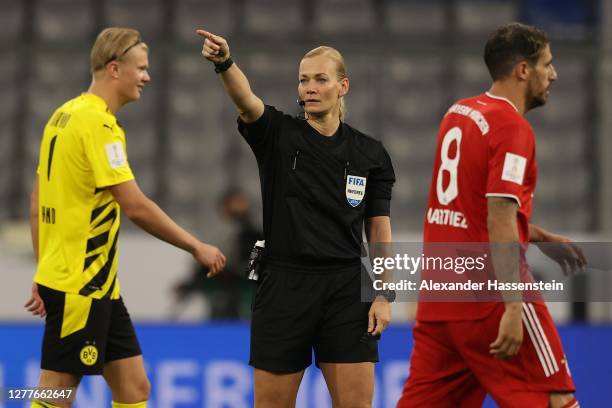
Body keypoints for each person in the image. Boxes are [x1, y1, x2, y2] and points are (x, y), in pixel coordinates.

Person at [25, 27, 226, 408]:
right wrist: (195, 246)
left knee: (135, 390)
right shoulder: (99, 126)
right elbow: (134, 206)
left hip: (90, 284)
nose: (147, 77)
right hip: (80, 285)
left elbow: (37, 203)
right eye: (141, 68)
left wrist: (44, 271)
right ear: (114, 69)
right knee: (54, 396)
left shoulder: (62, 116)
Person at [197, 30, 396, 407]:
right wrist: (224, 63)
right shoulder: (277, 134)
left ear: (343, 87)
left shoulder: (370, 154)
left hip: (347, 289)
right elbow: (246, 101)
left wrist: (384, 292)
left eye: (321, 79)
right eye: (303, 79)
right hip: (283, 287)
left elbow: (378, 227)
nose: (310, 87)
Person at [397, 23, 585, 408]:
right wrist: (513, 305)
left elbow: (466, 209)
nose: (554, 74)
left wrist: (538, 235)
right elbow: (499, 215)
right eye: (547, 64)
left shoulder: (458, 113)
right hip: (489, 294)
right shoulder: (512, 127)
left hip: (440, 295)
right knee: (555, 397)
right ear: (522, 70)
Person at [173, 188, 262, 319]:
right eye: (234, 203)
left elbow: (254, 268)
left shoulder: (255, 235)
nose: (238, 208)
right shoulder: (215, 234)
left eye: (241, 203)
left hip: (245, 286)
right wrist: (191, 283)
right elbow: (203, 265)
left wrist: (241, 271)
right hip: (219, 284)